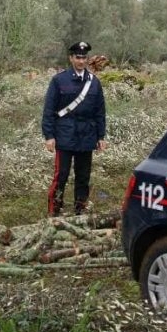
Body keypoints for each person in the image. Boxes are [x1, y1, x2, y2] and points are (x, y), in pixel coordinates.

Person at [42, 41, 107, 216]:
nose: (81, 61)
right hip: (64, 135)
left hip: (87, 136)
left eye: (84, 57)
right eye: (77, 57)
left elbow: (100, 112)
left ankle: (80, 211)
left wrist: (101, 136)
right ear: (71, 58)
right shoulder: (58, 80)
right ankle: (54, 211)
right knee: (61, 176)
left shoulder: (94, 83)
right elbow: (49, 110)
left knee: (83, 177)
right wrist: (49, 136)